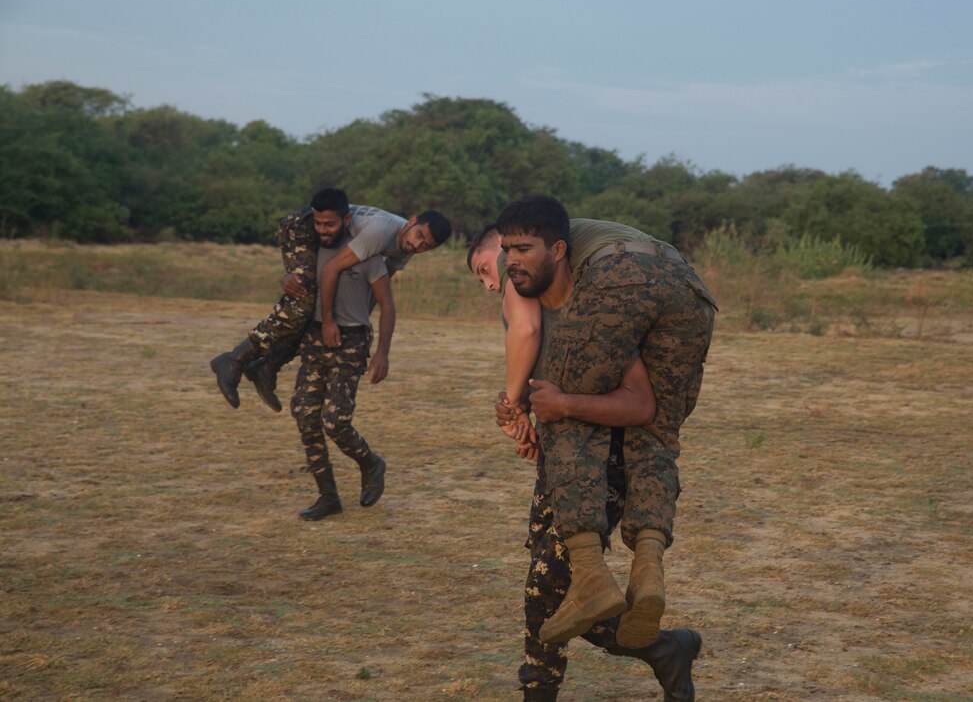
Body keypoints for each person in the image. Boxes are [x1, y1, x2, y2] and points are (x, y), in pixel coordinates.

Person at [467, 227, 703, 701]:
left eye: (483, 269)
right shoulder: (570, 306)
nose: (493, 284)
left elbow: (639, 406)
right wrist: (531, 412)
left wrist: (515, 406)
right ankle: (663, 649)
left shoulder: (590, 308)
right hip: (568, 463)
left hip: (603, 464)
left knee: (547, 586)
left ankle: (543, 690)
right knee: (550, 577)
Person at [209, 188, 452, 411]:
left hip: (332, 239)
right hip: (305, 227)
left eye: (425, 246)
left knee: (327, 317)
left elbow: (375, 293)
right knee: (304, 303)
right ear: (411, 221)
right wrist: (328, 321)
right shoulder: (380, 232)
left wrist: (357, 328)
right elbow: (331, 269)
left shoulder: (405, 248)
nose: (416, 245)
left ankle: (267, 367)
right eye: (418, 235)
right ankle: (232, 360)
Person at [291, 205, 393, 520]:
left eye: (329, 223)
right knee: (305, 415)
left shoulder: (368, 255)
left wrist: (382, 353)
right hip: (315, 339)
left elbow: (388, 306)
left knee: (334, 421)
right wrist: (286, 279)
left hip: (351, 342)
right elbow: (292, 279)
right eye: (318, 223)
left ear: (346, 221)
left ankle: (370, 462)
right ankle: (327, 496)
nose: (323, 229)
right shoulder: (310, 251)